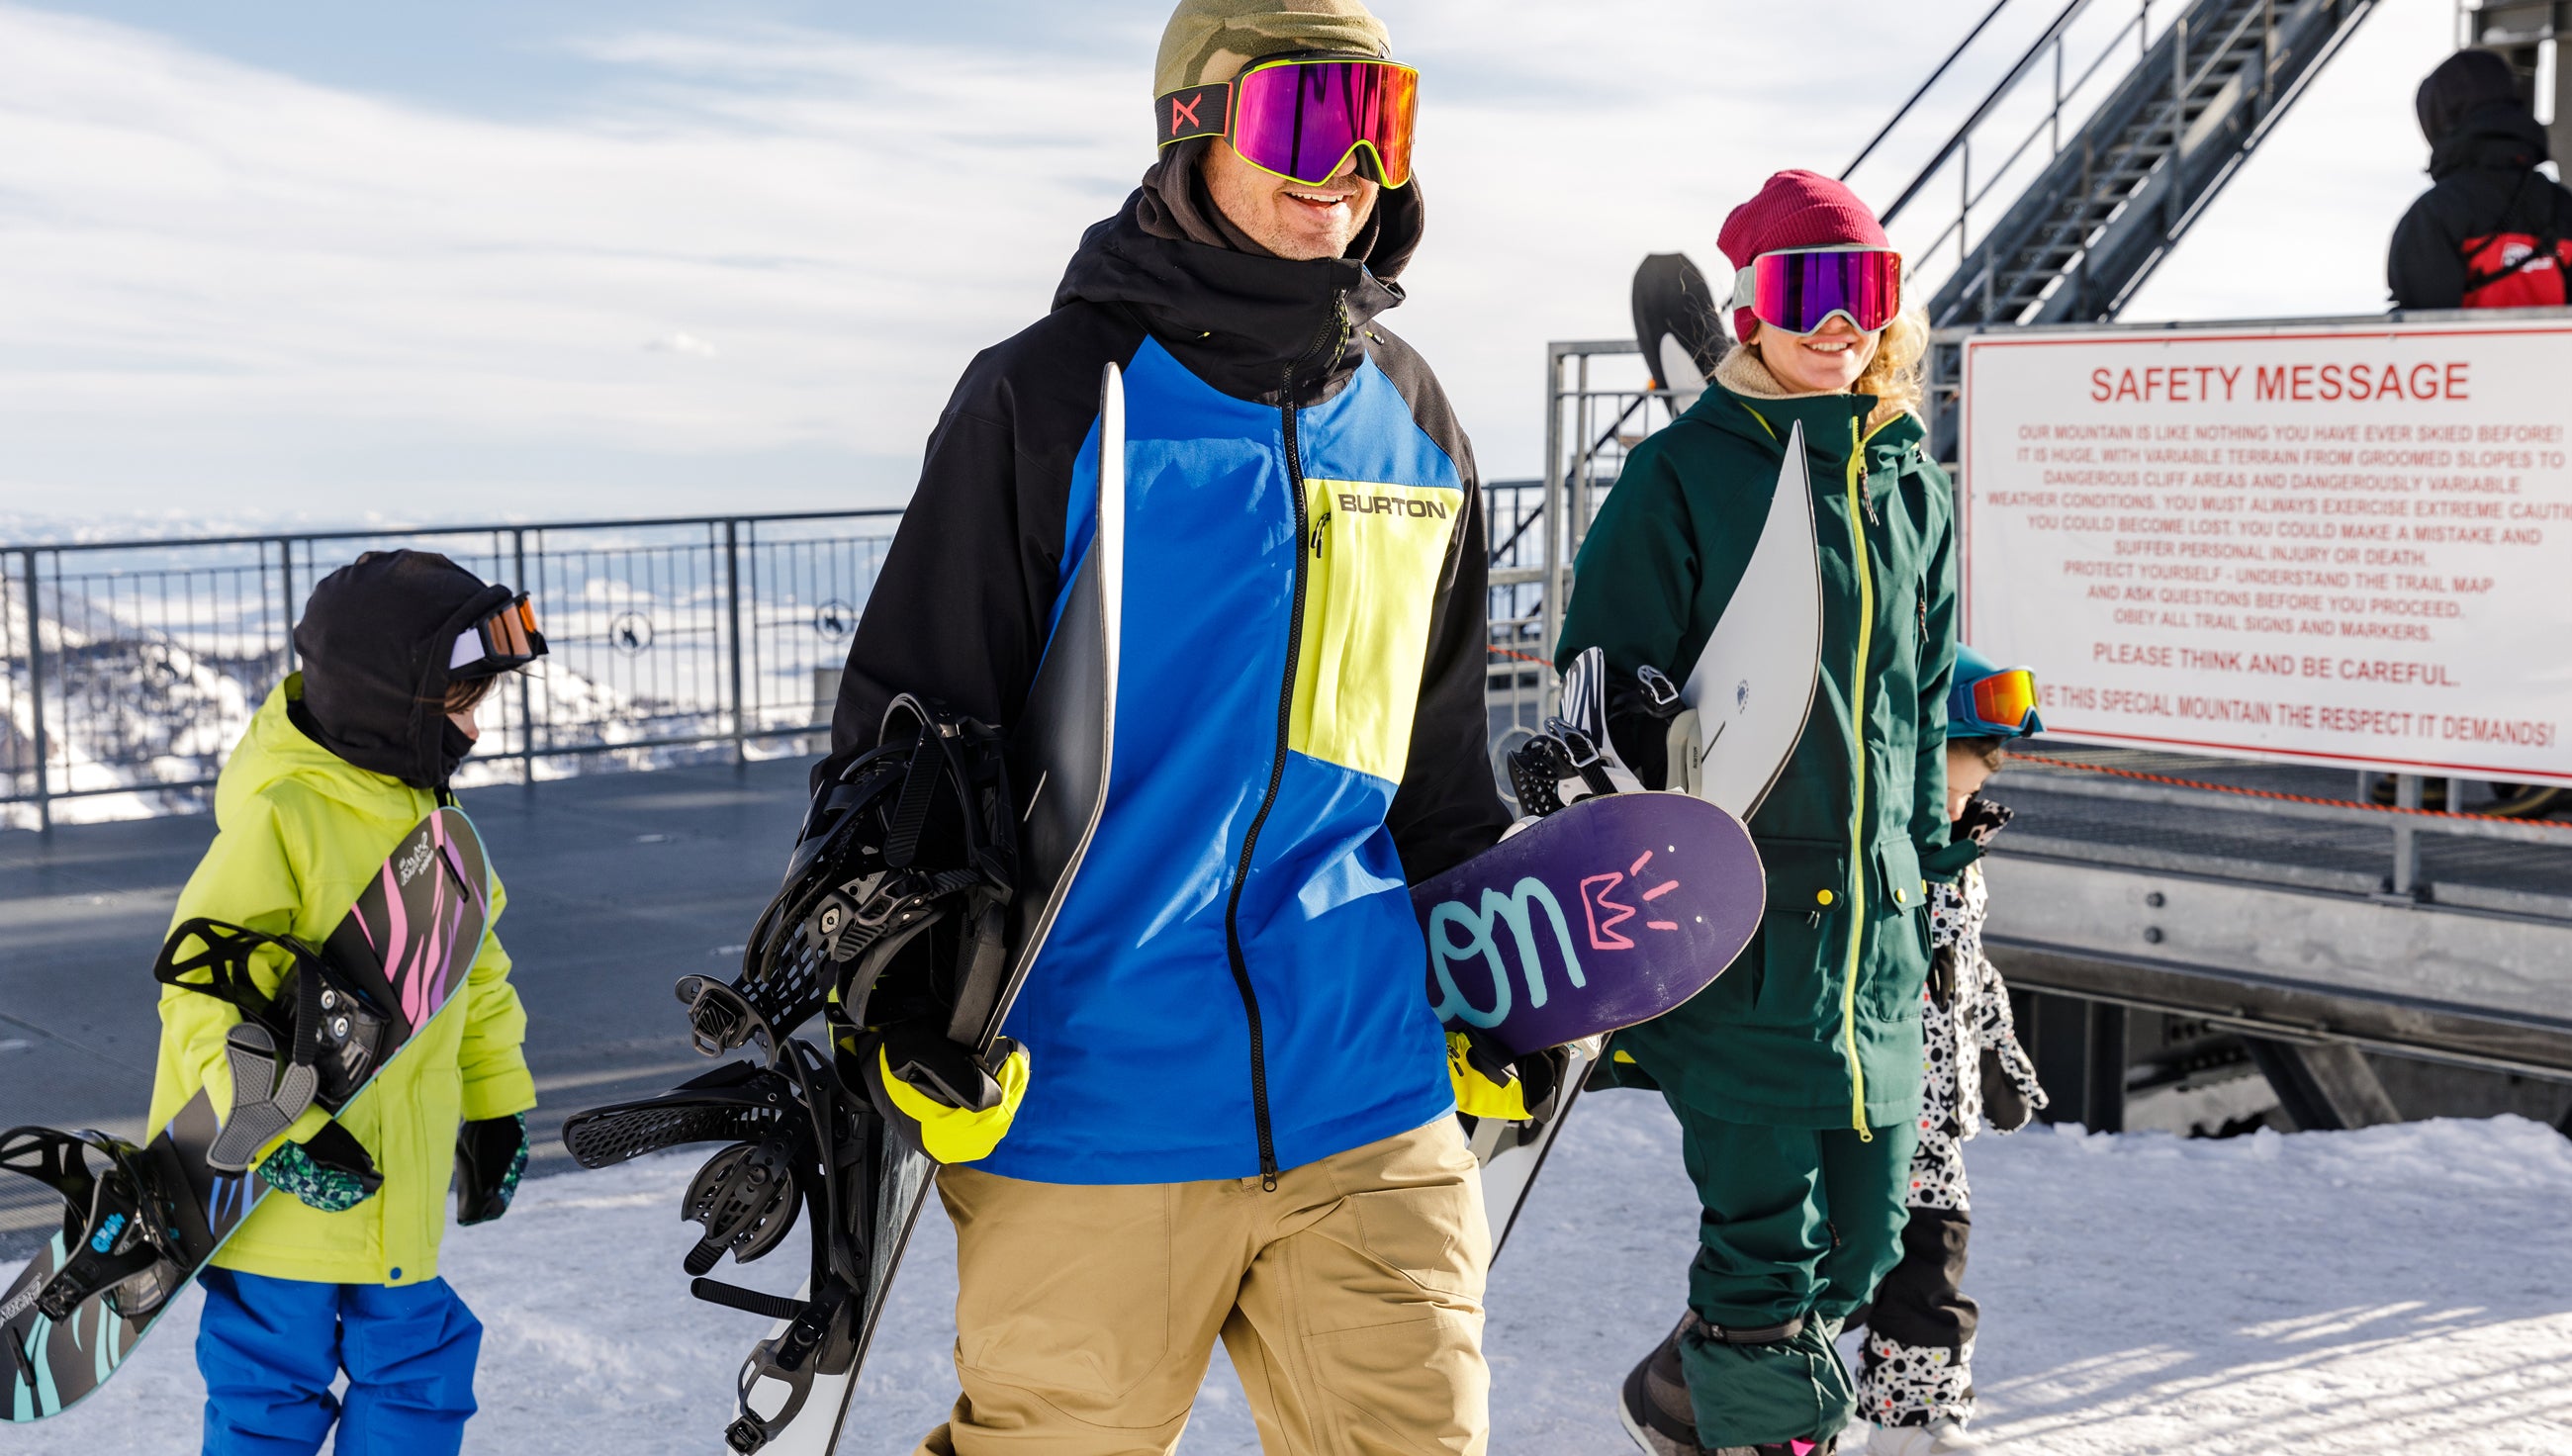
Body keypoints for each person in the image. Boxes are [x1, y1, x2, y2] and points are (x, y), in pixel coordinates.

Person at [819, 2, 1513, 1450]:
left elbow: (1439, 764)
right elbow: (908, 737)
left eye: (1382, 120)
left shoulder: (1413, 418)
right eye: (1305, 120)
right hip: (1091, 1098)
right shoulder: (1056, 396)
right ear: (1191, 127)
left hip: (1367, 1088)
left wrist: (1497, 966)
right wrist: (897, 997)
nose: (1350, 168)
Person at [1559, 169, 1962, 1456]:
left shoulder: (1911, 482)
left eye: (1868, 292)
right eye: (1809, 293)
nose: (1841, 325)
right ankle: (1756, 1425)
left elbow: (1929, 697)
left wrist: (1937, 864)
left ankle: (1685, 1399)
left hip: (1877, 941)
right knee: (1765, 1260)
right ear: (1750, 312)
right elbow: (1600, 680)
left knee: (1865, 1242)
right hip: (1740, 933)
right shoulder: (1683, 476)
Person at [146, 550, 539, 1456]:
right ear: (386, 700)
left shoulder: (438, 828)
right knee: (269, 1394)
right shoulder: (282, 815)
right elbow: (201, 988)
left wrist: (496, 1107)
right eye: (462, 706)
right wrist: (268, 1135)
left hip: (393, 1187)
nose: (475, 732)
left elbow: (477, 976)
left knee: (422, 1372)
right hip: (273, 1198)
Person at [1853, 649, 2050, 1456]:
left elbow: (1967, 971)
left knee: (1931, 1274)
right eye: (1952, 789)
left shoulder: (1960, 858)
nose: (1966, 806)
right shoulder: (1870, 855)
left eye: (1973, 791)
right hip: (1866, 1106)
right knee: (1831, 1276)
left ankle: (1914, 1428)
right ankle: (1704, 1393)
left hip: (1933, 1125)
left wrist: (2000, 1057)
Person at [2389, 48, 2572, 310]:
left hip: (2460, 352)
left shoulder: (2434, 215)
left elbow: (2420, 338)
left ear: (2439, 121)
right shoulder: (2563, 206)